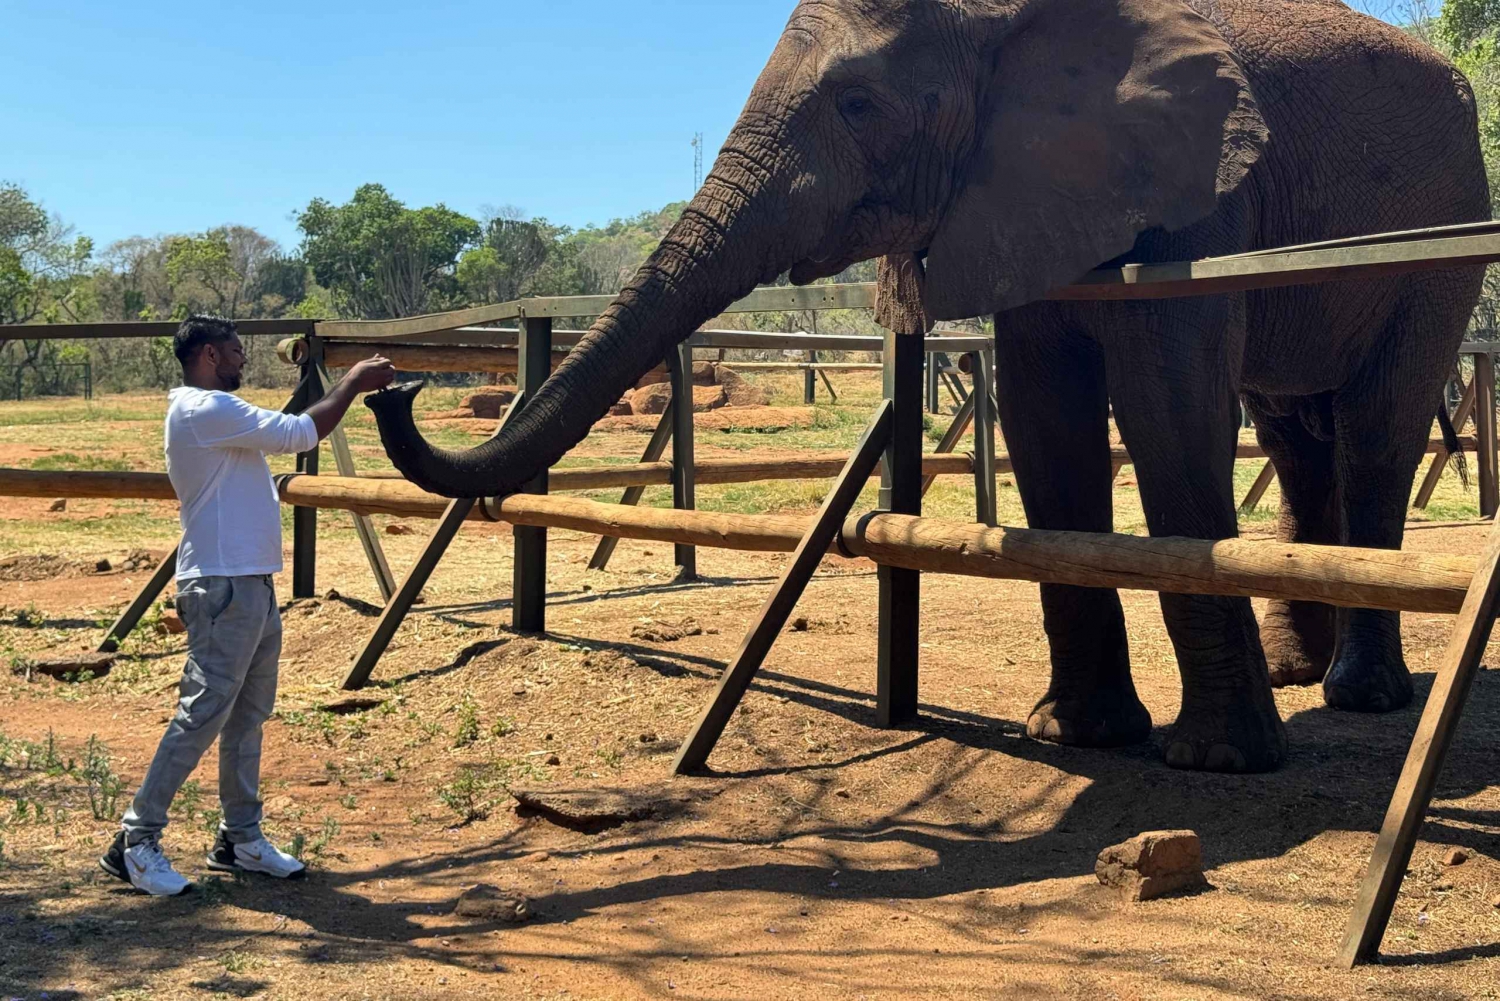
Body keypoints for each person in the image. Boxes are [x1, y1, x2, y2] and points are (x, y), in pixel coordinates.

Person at [98, 315, 395, 895]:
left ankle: (240, 839)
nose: (243, 359)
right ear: (209, 355)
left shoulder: (213, 414)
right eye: (235, 350)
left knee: (247, 716)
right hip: (222, 586)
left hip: (249, 584)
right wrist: (354, 381)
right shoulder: (204, 409)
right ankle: (134, 841)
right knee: (202, 715)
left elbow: (286, 432)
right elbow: (300, 434)